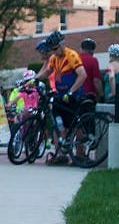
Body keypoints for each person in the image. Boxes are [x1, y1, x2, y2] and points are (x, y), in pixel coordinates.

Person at [34, 30, 87, 163]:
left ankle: (80, 155)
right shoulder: (53, 59)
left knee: (75, 126)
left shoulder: (71, 55)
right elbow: (47, 72)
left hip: (72, 96)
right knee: (57, 125)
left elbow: (82, 75)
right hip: (60, 96)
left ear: (62, 44)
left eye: (55, 49)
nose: (53, 52)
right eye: (51, 50)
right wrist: (33, 79)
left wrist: (71, 92)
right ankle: (60, 155)